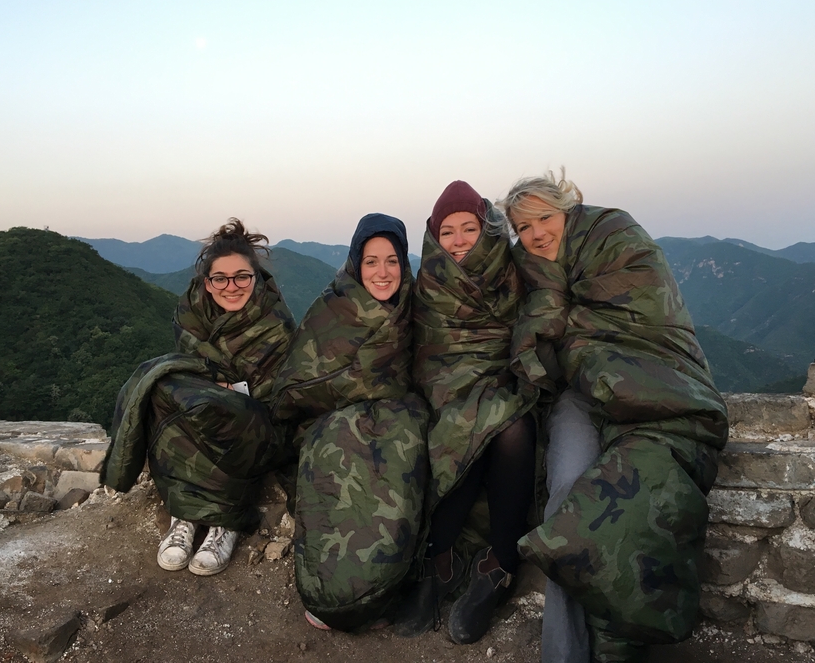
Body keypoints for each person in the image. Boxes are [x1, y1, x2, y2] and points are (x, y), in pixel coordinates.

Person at [497, 171, 729, 663]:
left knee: (636, 495)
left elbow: (646, 311)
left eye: (544, 218)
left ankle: (617, 647)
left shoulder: (615, 233)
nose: (536, 234)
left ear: (567, 209)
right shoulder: (526, 268)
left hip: (651, 380)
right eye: (523, 226)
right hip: (580, 394)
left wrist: (563, 324)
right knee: (566, 506)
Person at [101, 219, 295, 576]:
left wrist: (226, 394)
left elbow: (280, 399)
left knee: (203, 403)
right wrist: (211, 388)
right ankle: (185, 517)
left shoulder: (276, 325)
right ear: (207, 283)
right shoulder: (190, 314)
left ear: (256, 278)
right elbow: (188, 372)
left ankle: (226, 523)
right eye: (220, 278)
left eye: (242, 277)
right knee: (161, 387)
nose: (231, 286)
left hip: (260, 427)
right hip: (201, 410)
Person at [394, 181, 539, 645]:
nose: (457, 241)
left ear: (485, 229)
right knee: (466, 422)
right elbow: (422, 351)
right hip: (444, 394)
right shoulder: (428, 285)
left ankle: (499, 567)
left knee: (509, 427)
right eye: (448, 231)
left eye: (468, 229)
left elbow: (536, 328)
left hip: (501, 387)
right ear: (435, 236)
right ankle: (439, 562)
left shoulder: (514, 275)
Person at [272, 213, 429, 632]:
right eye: (372, 260)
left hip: (395, 421)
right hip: (330, 422)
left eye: (392, 260)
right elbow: (299, 385)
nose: (382, 272)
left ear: (404, 264)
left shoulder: (417, 308)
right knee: (339, 459)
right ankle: (332, 593)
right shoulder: (332, 308)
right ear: (356, 262)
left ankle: (379, 591)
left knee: (399, 463)